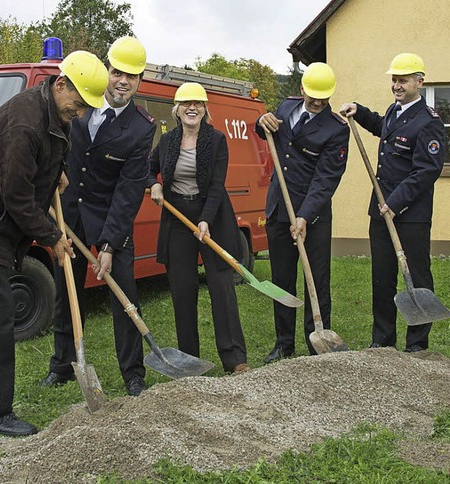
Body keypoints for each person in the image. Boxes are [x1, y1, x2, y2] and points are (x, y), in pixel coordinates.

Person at [0, 50, 108, 437]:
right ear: (61, 84)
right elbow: (16, 194)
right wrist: (53, 237)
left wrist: (57, 175)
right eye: (79, 104)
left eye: (86, 108)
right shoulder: (25, 122)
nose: (80, 113)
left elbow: (45, 158)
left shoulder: (55, 113)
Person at [39, 37, 156, 396]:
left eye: (131, 77)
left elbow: (130, 188)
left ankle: (133, 373)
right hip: (68, 214)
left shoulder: (142, 126)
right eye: (117, 72)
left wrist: (109, 242)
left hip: (111, 219)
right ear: (107, 70)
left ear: (139, 82)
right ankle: (62, 365)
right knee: (66, 291)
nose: (122, 81)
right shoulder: (79, 101)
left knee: (124, 295)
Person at [340, 53, 445, 352]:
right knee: (382, 277)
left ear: (419, 82)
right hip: (381, 210)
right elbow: (382, 127)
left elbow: (427, 171)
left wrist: (395, 202)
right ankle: (383, 340)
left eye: (403, 80)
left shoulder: (429, 122)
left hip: (410, 214)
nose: (397, 85)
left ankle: (417, 344)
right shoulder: (394, 111)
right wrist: (358, 111)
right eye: (394, 79)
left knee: (418, 278)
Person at [148, 82, 249, 374]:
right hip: (178, 217)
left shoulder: (216, 139)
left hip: (213, 217)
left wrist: (205, 218)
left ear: (205, 109)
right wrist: (154, 183)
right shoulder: (167, 141)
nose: (192, 108)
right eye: (186, 103)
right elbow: (147, 166)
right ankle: (188, 359)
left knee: (221, 287)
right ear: (177, 110)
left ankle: (234, 358)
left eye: (198, 103)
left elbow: (216, 186)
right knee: (183, 288)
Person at [255, 62, 349, 364]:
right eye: (313, 97)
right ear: (302, 90)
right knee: (281, 280)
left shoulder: (335, 130)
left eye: (323, 98)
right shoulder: (286, 107)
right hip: (279, 209)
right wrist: (262, 120)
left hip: (314, 216)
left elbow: (326, 179)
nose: (318, 103)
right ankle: (284, 343)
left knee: (316, 281)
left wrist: (305, 215)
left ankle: (315, 341)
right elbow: (266, 131)